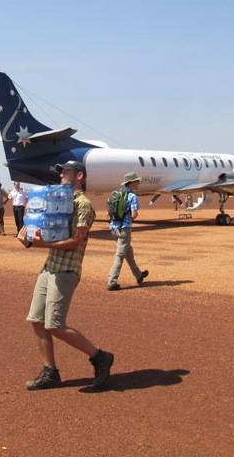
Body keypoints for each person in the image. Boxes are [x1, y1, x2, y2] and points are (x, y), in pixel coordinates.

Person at [17, 160, 114, 390]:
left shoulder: (84, 205)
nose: (61, 175)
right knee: (37, 320)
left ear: (79, 176)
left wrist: (39, 245)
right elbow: (46, 232)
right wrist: (29, 238)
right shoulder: (58, 202)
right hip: (49, 266)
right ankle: (50, 371)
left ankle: (100, 357)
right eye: (60, 171)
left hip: (67, 269)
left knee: (55, 324)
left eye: (66, 172)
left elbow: (77, 240)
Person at [106, 172, 149, 291]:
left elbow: (108, 213)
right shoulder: (132, 197)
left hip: (113, 229)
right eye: (137, 181)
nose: (139, 183)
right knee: (120, 255)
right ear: (131, 183)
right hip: (125, 229)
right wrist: (129, 216)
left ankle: (139, 275)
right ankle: (112, 281)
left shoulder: (115, 194)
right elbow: (134, 215)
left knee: (128, 252)